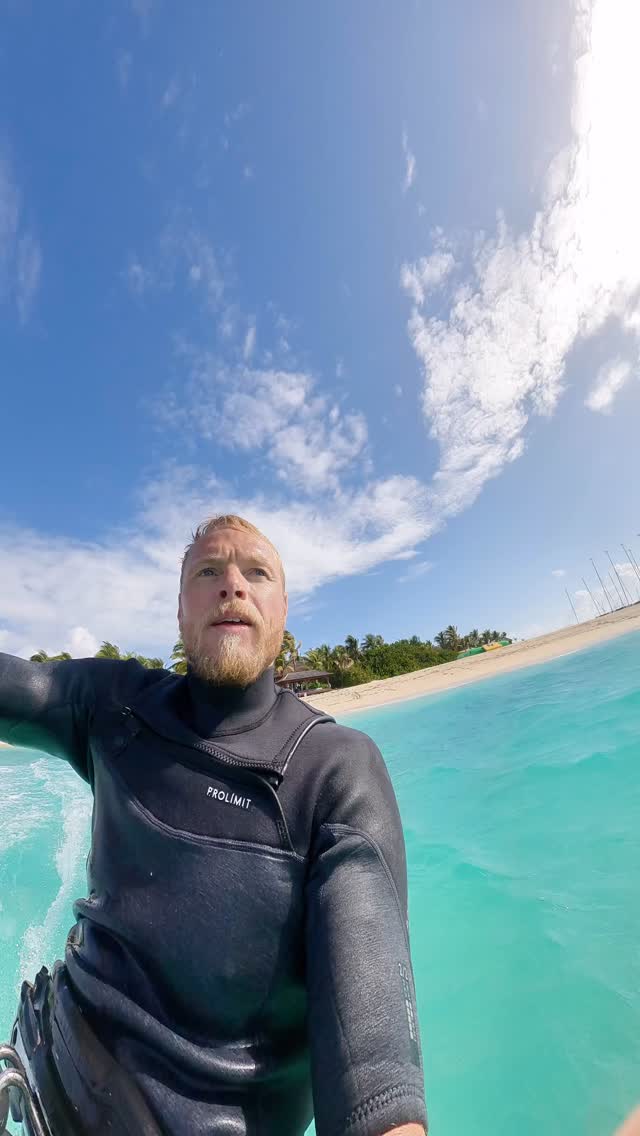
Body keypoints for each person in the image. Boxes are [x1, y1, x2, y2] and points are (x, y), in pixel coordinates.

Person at [0, 515, 428, 1136]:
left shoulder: (334, 770)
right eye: (209, 571)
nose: (233, 585)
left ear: (281, 610)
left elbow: (375, 1070)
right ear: (180, 611)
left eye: (257, 572)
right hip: (42, 1066)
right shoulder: (117, 704)